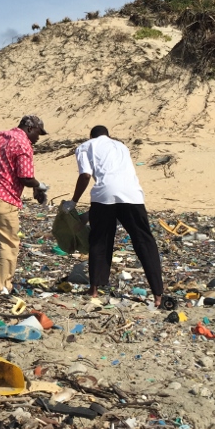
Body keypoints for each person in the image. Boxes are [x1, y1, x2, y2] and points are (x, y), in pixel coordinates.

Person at [71, 125, 163, 307]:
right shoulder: (121, 146)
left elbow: (85, 175)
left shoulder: (85, 146)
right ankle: (158, 294)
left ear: (91, 136)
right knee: (144, 241)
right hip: (133, 194)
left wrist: (73, 201)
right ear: (108, 135)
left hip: (103, 194)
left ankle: (95, 289)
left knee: (100, 240)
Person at [0, 115, 48, 294]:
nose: (38, 138)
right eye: (38, 133)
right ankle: (4, 286)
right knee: (9, 242)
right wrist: (39, 186)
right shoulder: (23, 144)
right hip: (3, 198)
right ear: (30, 129)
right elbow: (25, 176)